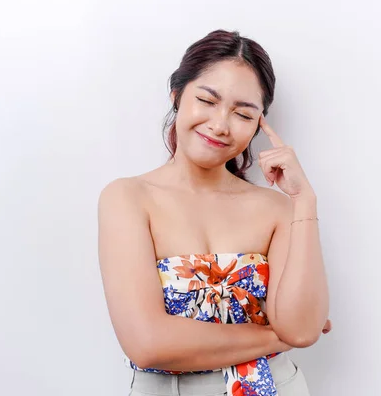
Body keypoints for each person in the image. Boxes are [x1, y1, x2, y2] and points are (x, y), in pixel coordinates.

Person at [98, 29, 332, 396]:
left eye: (242, 113)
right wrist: (276, 335)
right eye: (207, 100)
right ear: (177, 96)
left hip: (276, 385)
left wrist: (305, 202)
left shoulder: (277, 207)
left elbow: (301, 330)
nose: (220, 125)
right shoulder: (127, 197)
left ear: (259, 125)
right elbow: (147, 343)